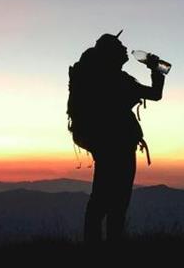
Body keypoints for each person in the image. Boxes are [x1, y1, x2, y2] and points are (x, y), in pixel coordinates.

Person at [68, 32, 165, 243]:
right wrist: (155, 69)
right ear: (110, 53)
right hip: (118, 145)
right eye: (119, 46)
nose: (124, 49)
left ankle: (95, 247)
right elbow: (155, 94)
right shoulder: (116, 79)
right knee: (116, 200)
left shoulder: (100, 77)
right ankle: (111, 247)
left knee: (101, 198)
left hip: (105, 144)